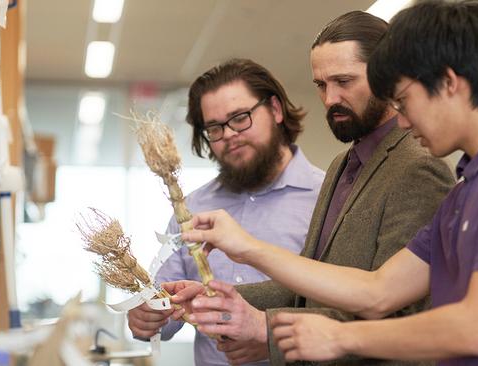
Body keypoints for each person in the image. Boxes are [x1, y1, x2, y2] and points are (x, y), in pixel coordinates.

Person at [178, 1, 478, 366]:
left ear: (448, 82)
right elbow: (378, 291)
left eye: (405, 99)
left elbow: (476, 327)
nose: (404, 119)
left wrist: (340, 336)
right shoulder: (466, 190)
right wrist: (246, 248)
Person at [168, 10, 455, 366]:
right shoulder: (342, 165)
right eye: (321, 85)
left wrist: (265, 329)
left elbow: (401, 316)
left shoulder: (418, 167)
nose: (331, 98)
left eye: (344, 81)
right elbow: (309, 285)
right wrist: (218, 297)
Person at [126, 58, 325, 366]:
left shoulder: (328, 198)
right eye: (215, 128)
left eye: (241, 117)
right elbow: (167, 312)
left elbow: (345, 308)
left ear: (275, 110)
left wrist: (272, 339)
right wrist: (149, 317)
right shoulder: (190, 209)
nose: (229, 134)